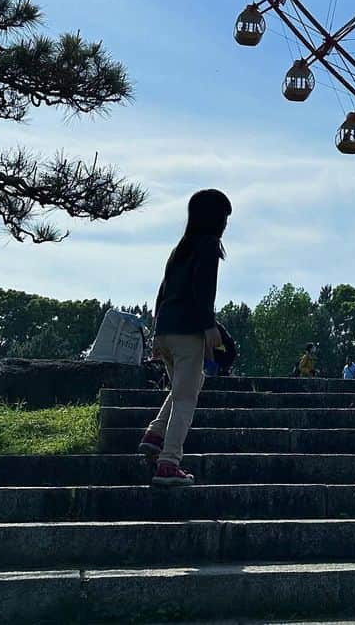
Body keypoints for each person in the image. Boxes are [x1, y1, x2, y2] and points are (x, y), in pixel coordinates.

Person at [138, 188, 231, 487]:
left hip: (166, 331)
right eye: (224, 218)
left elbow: (162, 292)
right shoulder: (208, 246)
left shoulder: (181, 248)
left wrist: (156, 333)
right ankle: (169, 462)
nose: (226, 224)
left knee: (185, 386)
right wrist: (209, 326)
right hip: (188, 332)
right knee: (186, 398)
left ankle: (155, 433)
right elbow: (202, 290)